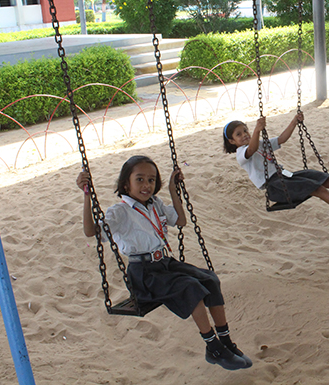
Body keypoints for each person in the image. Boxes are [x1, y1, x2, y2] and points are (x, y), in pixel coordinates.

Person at [76, 155, 251, 371]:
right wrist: (87, 195)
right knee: (191, 288)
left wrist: (172, 190)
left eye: (151, 180)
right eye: (139, 179)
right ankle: (213, 347)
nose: (146, 185)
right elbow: (90, 231)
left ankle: (225, 341)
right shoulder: (119, 212)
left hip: (165, 264)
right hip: (144, 274)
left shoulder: (155, 204)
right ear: (126, 184)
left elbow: (181, 220)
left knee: (210, 279)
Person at [223, 112, 329, 221]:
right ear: (232, 141)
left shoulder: (260, 143)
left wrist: (294, 122)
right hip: (276, 187)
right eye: (239, 134)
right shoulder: (241, 153)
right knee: (317, 189)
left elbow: (281, 139)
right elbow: (251, 150)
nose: (244, 135)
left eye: (245, 131)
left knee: (325, 179)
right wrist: (257, 130)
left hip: (285, 177)